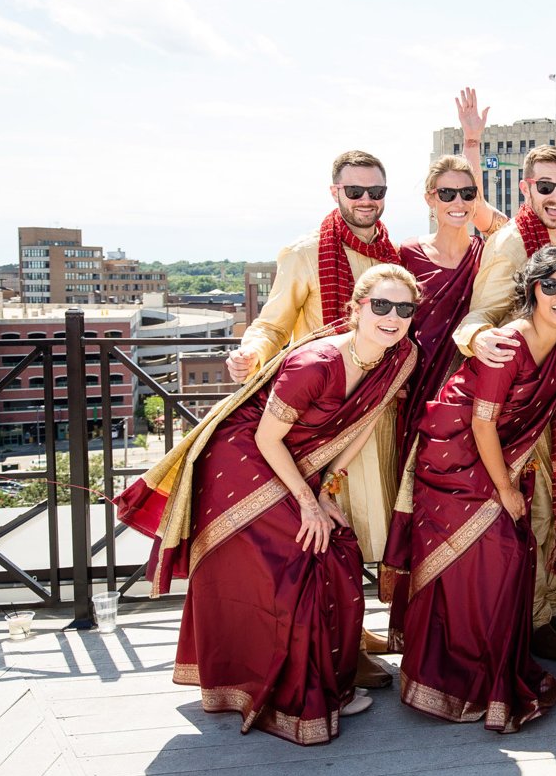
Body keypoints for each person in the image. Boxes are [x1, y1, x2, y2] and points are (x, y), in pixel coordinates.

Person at [115, 264, 421, 744]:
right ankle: (286, 691)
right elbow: (266, 436)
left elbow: (362, 425)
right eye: (380, 305)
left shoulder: (401, 356)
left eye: (404, 308)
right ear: (357, 308)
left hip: (299, 465)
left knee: (337, 548)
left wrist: (328, 490)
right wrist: (306, 502)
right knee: (302, 554)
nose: (392, 316)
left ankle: (326, 679)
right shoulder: (315, 363)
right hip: (245, 460)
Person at [223, 148, 443, 686]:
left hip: (382, 416)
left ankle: (353, 627)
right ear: (334, 193)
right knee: (336, 527)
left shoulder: (398, 257)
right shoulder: (303, 254)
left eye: (376, 192)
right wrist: (250, 351)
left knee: (374, 528)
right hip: (323, 425)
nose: (366, 201)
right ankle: (345, 647)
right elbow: (273, 323)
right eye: (355, 191)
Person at [399, 247, 556, 732]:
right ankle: (450, 678)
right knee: (489, 556)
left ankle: (489, 667)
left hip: (495, 458)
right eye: (552, 286)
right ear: (531, 290)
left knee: (501, 561)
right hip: (456, 460)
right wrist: (506, 491)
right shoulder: (508, 343)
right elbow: (483, 425)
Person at [453, 144, 556, 660]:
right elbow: (478, 313)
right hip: (522, 403)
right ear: (526, 188)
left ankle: (554, 601)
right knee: (540, 509)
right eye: (545, 187)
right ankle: (532, 619)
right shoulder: (509, 243)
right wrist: (475, 339)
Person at [378, 149, 505, 615]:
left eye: (466, 193)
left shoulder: (487, 253)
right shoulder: (406, 254)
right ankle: (416, 619)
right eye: (447, 193)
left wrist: (474, 144)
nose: (457, 201)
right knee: (418, 504)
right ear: (430, 198)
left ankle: (460, 611)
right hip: (416, 397)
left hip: (470, 399)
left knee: (462, 504)